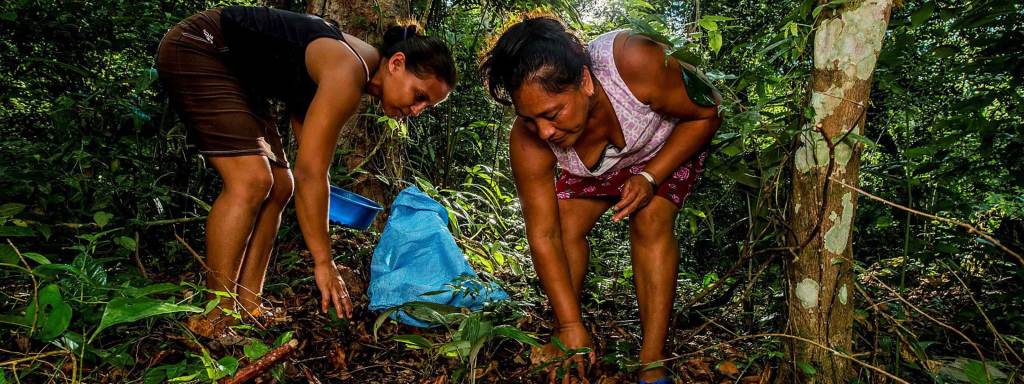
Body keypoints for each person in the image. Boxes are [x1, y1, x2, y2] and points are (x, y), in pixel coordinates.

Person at [155, 5, 456, 337]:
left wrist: (319, 196)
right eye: (419, 96)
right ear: (396, 63)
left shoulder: (353, 68)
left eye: (426, 107)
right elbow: (311, 172)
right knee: (252, 180)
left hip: (239, 73)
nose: (416, 111)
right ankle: (217, 315)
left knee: (280, 185)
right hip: (201, 46)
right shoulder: (349, 69)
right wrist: (323, 263)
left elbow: (308, 166)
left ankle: (248, 305)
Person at [480, 16, 720, 384]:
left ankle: (652, 362)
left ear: (586, 82)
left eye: (552, 114)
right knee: (562, 223)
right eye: (529, 119)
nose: (544, 131)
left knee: (651, 217)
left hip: (667, 146)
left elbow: (706, 113)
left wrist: (650, 176)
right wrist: (571, 324)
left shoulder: (634, 60)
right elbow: (544, 236)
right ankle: (566, 333)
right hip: (600, 168)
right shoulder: (530, 140)